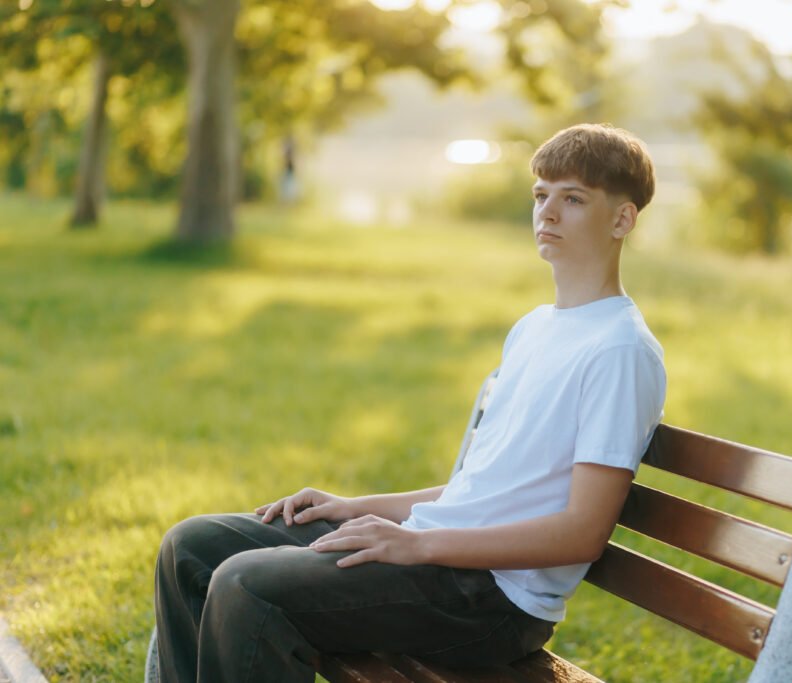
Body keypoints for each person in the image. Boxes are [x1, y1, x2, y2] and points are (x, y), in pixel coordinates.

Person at [153, 123, 666, 683]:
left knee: (245, 585)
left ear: (622, 219)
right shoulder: (537, 328)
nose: (548, 213)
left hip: (491, 601)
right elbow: (485, 488)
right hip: (440, 555)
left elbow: (582, 532)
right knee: (192, 546)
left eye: (574, 199)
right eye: (541, 195)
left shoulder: (620, 350)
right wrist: (356, 506)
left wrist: (418, 545)